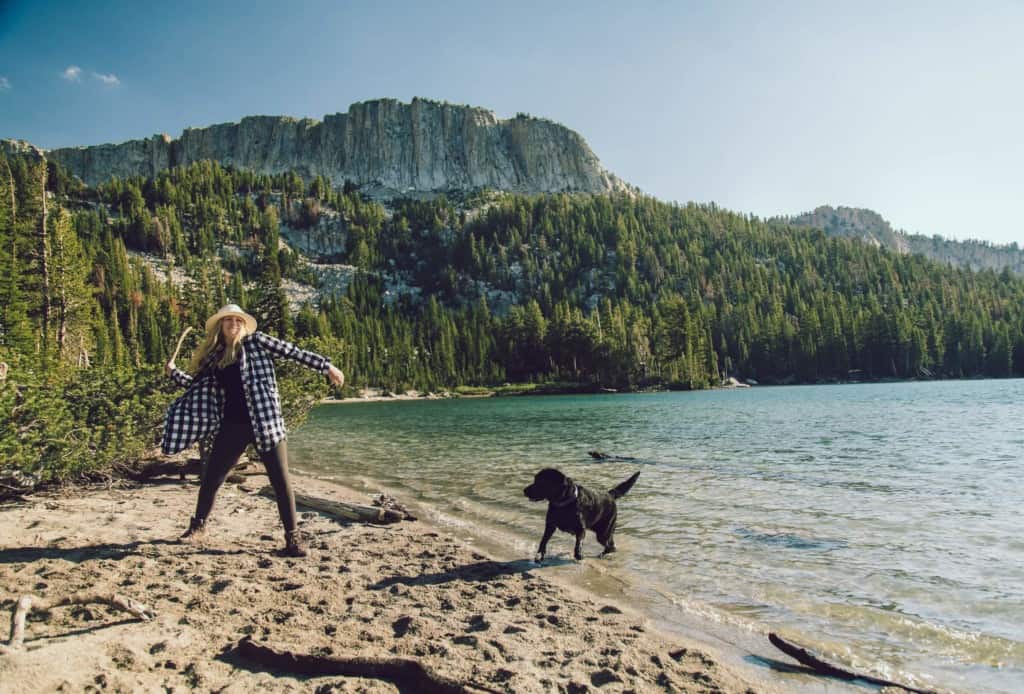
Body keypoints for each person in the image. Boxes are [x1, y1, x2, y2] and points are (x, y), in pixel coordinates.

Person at [161, 304, 344, 557]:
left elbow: (292, 352)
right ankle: (197, 528)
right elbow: (197, 387)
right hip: (232, 426)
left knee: (281, 482)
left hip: (267, 424)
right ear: (220, 326)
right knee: (212, 478)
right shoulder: (215, 357)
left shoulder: (257, 341)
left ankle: (293, 538)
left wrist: (326, 367)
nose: (233, 324)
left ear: (243, 325)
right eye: (228, 321)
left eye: (238, 320)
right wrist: (173, 374)